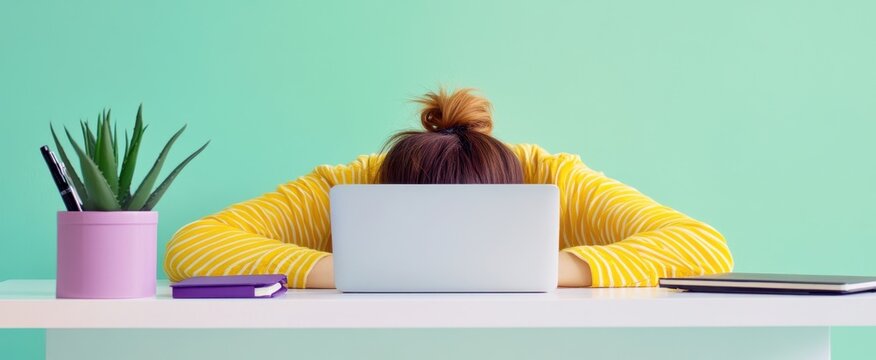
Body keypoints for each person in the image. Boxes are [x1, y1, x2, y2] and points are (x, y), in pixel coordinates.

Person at [163, 88, 733, 289]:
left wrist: (534, 267)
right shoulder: (353, 183)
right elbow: (192, 246)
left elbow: (704, 248)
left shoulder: (547, 176)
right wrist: (354, 270)